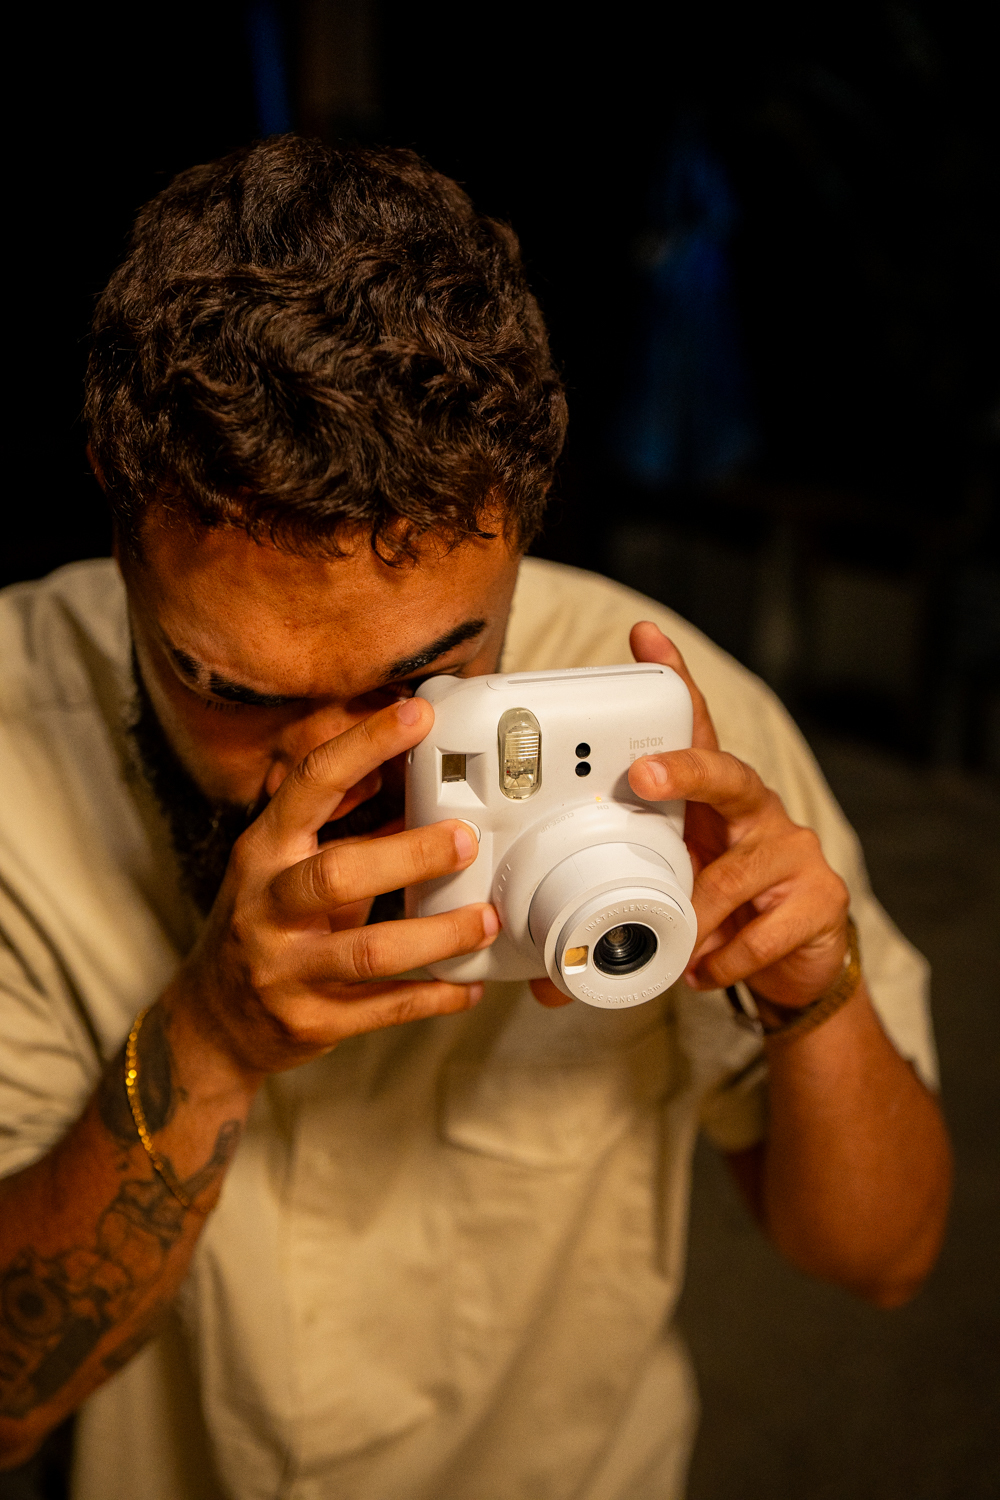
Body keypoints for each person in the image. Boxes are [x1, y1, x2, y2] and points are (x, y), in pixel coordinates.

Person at [0, 136, 951, 1500]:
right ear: (116, 507)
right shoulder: (11, 749)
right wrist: (208, 1039)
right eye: (234, 690)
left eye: (424, 683)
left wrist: (814, 992)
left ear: (522, 531)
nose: (330, 770)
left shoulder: (672, 724)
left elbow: (886, 1258)